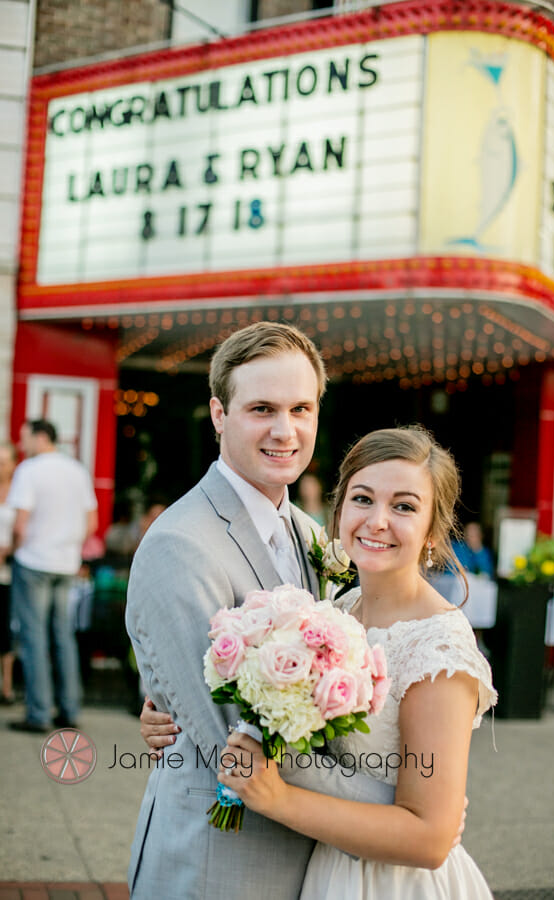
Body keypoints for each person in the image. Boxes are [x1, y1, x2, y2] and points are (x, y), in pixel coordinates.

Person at [125, 323, 403, 900]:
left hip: (306, 856)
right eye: (262, 409)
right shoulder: (180, 543)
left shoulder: (307, 533)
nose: (286, 430)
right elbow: (234, 742)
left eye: (301, 408)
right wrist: (399, 805)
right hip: (217, 862)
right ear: (219, 414)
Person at [217, 426, 497, 898]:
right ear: (340, 508)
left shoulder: (438, 650)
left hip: (395, 882)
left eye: (404, 506)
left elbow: (429, 838)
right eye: (363, 499)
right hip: (330, 867)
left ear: (432, 530)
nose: (378, 520)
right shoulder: (337, 611)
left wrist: (279, 799)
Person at [8, 419, 98, 732]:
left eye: (24, 437)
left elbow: (20, 524)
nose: (22, 445)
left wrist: (15, 550)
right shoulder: (77, 470)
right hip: (65, 563)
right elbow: (91, 522)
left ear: (40, 436)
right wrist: (70, 547)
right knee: (63, 637)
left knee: (34, 638)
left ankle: (39, 713)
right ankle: (70, 709)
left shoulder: (29, 470)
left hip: (34, 561)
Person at [0, 442, 17, 704]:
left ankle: (7, 686)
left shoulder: (20, 492)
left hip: (12, 568)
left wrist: (9, 549)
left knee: (7, 629)